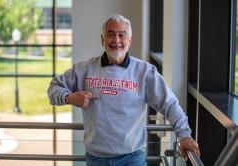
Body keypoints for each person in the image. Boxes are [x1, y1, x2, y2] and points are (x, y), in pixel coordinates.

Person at [47, 14, 199, 166]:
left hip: (132, 158)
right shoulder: (83, 70)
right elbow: (53, 88)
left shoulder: (145, 72)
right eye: (110, 34)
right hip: (95, 158)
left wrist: (184, 135)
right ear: (102, 40)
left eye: (122, 35)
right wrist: (69, 98)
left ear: (129, 41)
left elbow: (170, 104)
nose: (116, 40)